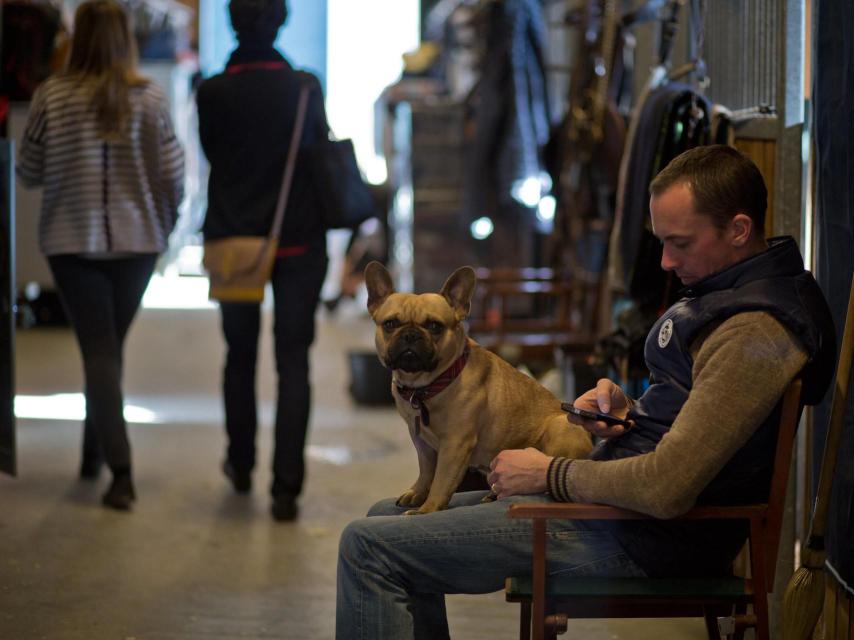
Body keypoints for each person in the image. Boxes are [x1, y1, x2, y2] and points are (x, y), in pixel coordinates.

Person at [335, 145, 837, 639]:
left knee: (368, 545)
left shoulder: (754, 332)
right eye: (660, 241)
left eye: (680, 243)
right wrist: (629, 415)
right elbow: (694, 422)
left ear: (739, 231)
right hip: (616, 514)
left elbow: (667, 487)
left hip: (640, 539)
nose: (663, 261)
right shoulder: (728, 298)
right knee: (386, 518)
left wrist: (550, 472)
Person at [16, 0, 184, 511]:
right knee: (107, 351)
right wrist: (166, 226)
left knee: (100, 352)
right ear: (126, 39)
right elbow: (174, 175)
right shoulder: (150, 98)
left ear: (77, 37)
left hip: (72, 243)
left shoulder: (53, 95)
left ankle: (121, 472)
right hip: (138, 244)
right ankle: (93, 458)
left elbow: (28, 170)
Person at [196, 0, 330, 521]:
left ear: (232, 22)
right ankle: (286, 489)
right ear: (281, 21)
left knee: (240, 355)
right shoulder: (303, 87)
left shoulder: (210, 91)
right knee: (293, 361)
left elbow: (213, 154)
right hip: (298, 240)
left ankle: (241, 462)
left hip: (235, 240)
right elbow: (317, 149)